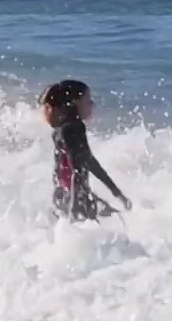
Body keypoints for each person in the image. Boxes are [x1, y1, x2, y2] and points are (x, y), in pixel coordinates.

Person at [42, 79, 130, 220]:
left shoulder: (60, 130)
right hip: (77, 198)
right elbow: (77, 169)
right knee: (118, 221)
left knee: (114, 219)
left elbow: (88, 162)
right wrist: (74, 207)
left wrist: (116, 192)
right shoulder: (74, 127)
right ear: (76, 103)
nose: (92, 104)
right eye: (88, 100)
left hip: (65, 195)